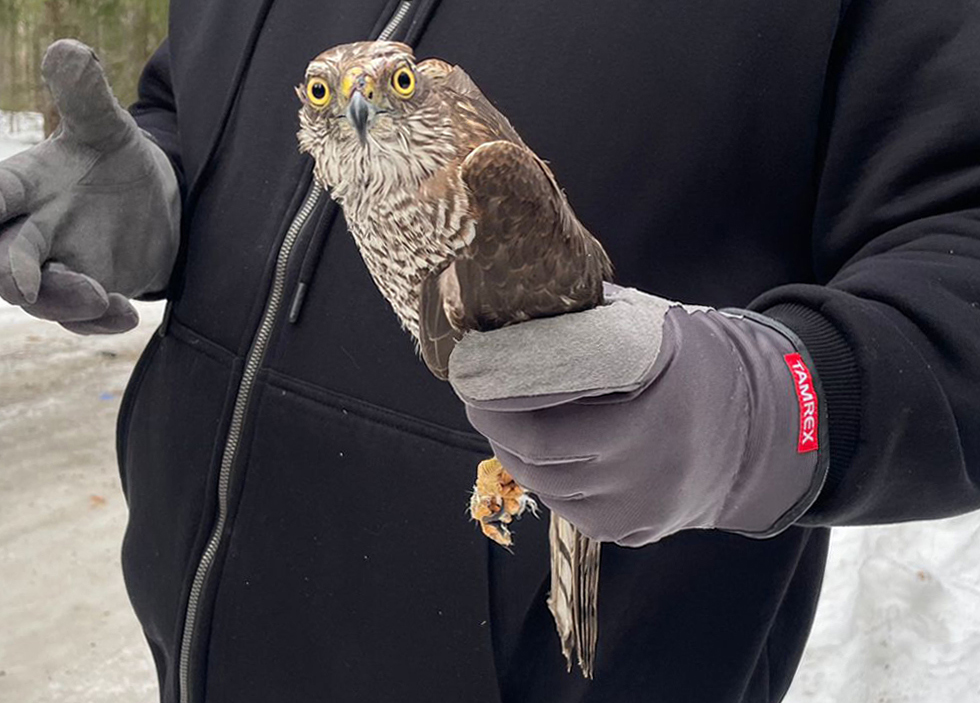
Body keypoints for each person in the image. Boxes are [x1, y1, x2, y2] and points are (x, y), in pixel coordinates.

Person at [1, 1, 978, 701]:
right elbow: (207, 91)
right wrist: (171, 178)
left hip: (571, 648)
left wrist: (767, 408)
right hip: (209, 629)